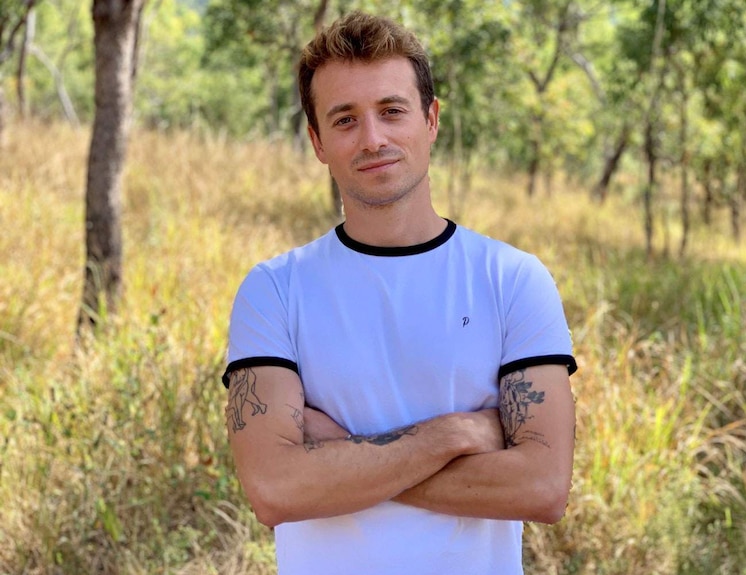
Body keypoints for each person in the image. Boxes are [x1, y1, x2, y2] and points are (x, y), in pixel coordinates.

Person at [222, 11, 577, 575]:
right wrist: (456, 433)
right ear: (316, 141)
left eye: (392, 111)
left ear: (431, 119)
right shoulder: (274, 291)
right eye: (345, 120)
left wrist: (340, 456)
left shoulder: (512, 279)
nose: (373, 138)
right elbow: (274, 489)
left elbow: (542, 486)